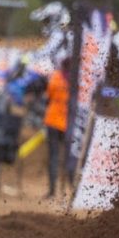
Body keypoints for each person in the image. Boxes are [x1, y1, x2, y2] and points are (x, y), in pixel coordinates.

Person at [44, 56, 70, 198]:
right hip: (68, 123)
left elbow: (48, 96)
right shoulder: (76, 81)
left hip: (53, 120)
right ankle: (67, 190)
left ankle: (52, 191)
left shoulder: (56, 77)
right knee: (68, 157)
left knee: (53, 156)